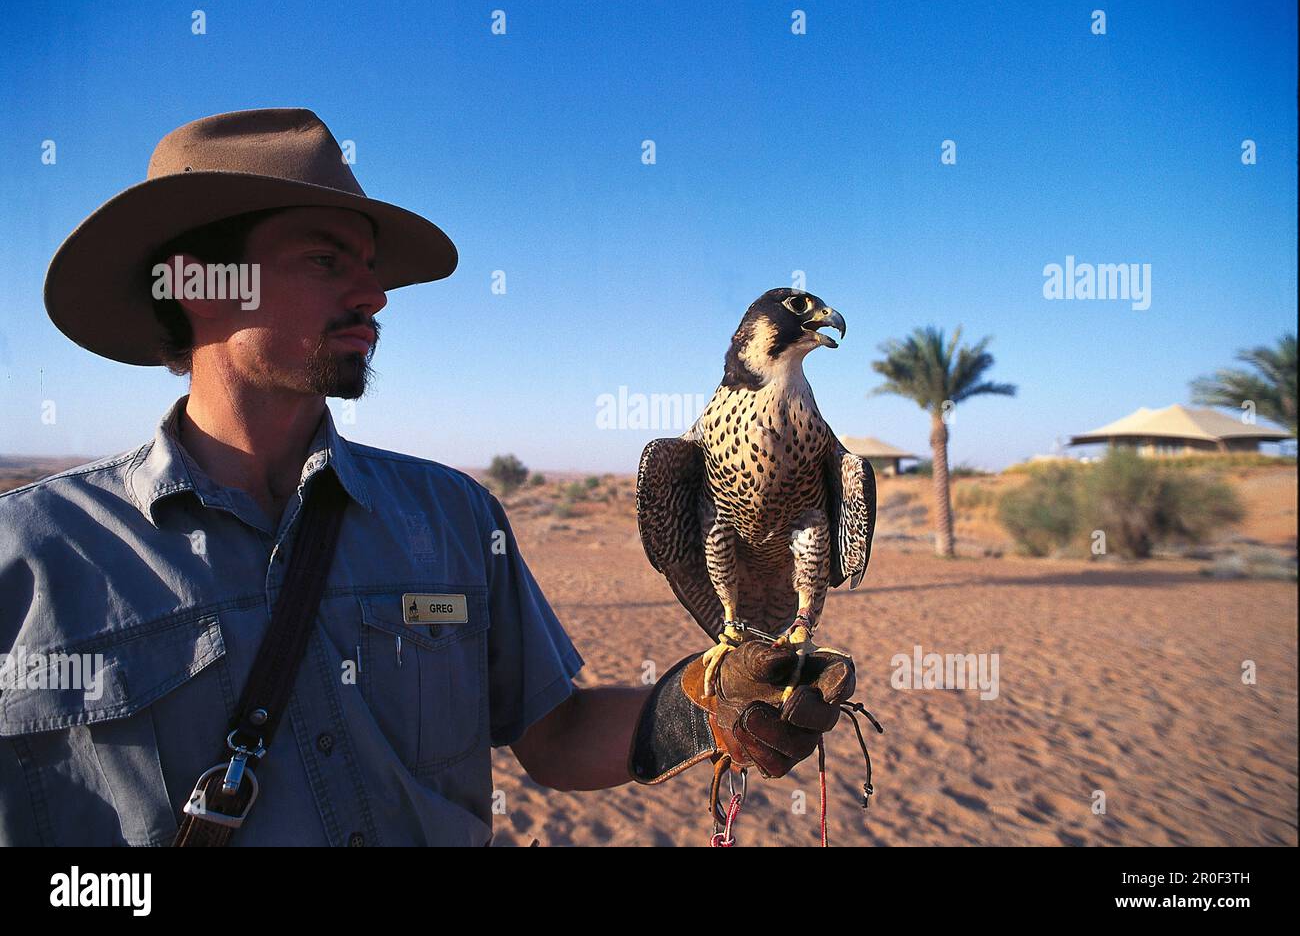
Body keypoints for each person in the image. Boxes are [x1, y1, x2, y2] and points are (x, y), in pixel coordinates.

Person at [0, 109, 849, 846]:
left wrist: (709, 704)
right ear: (197, 283)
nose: (375, 295)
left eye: (372, 266)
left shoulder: (451, 518)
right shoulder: (34, 558)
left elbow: (552, 734)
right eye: (328, 260)